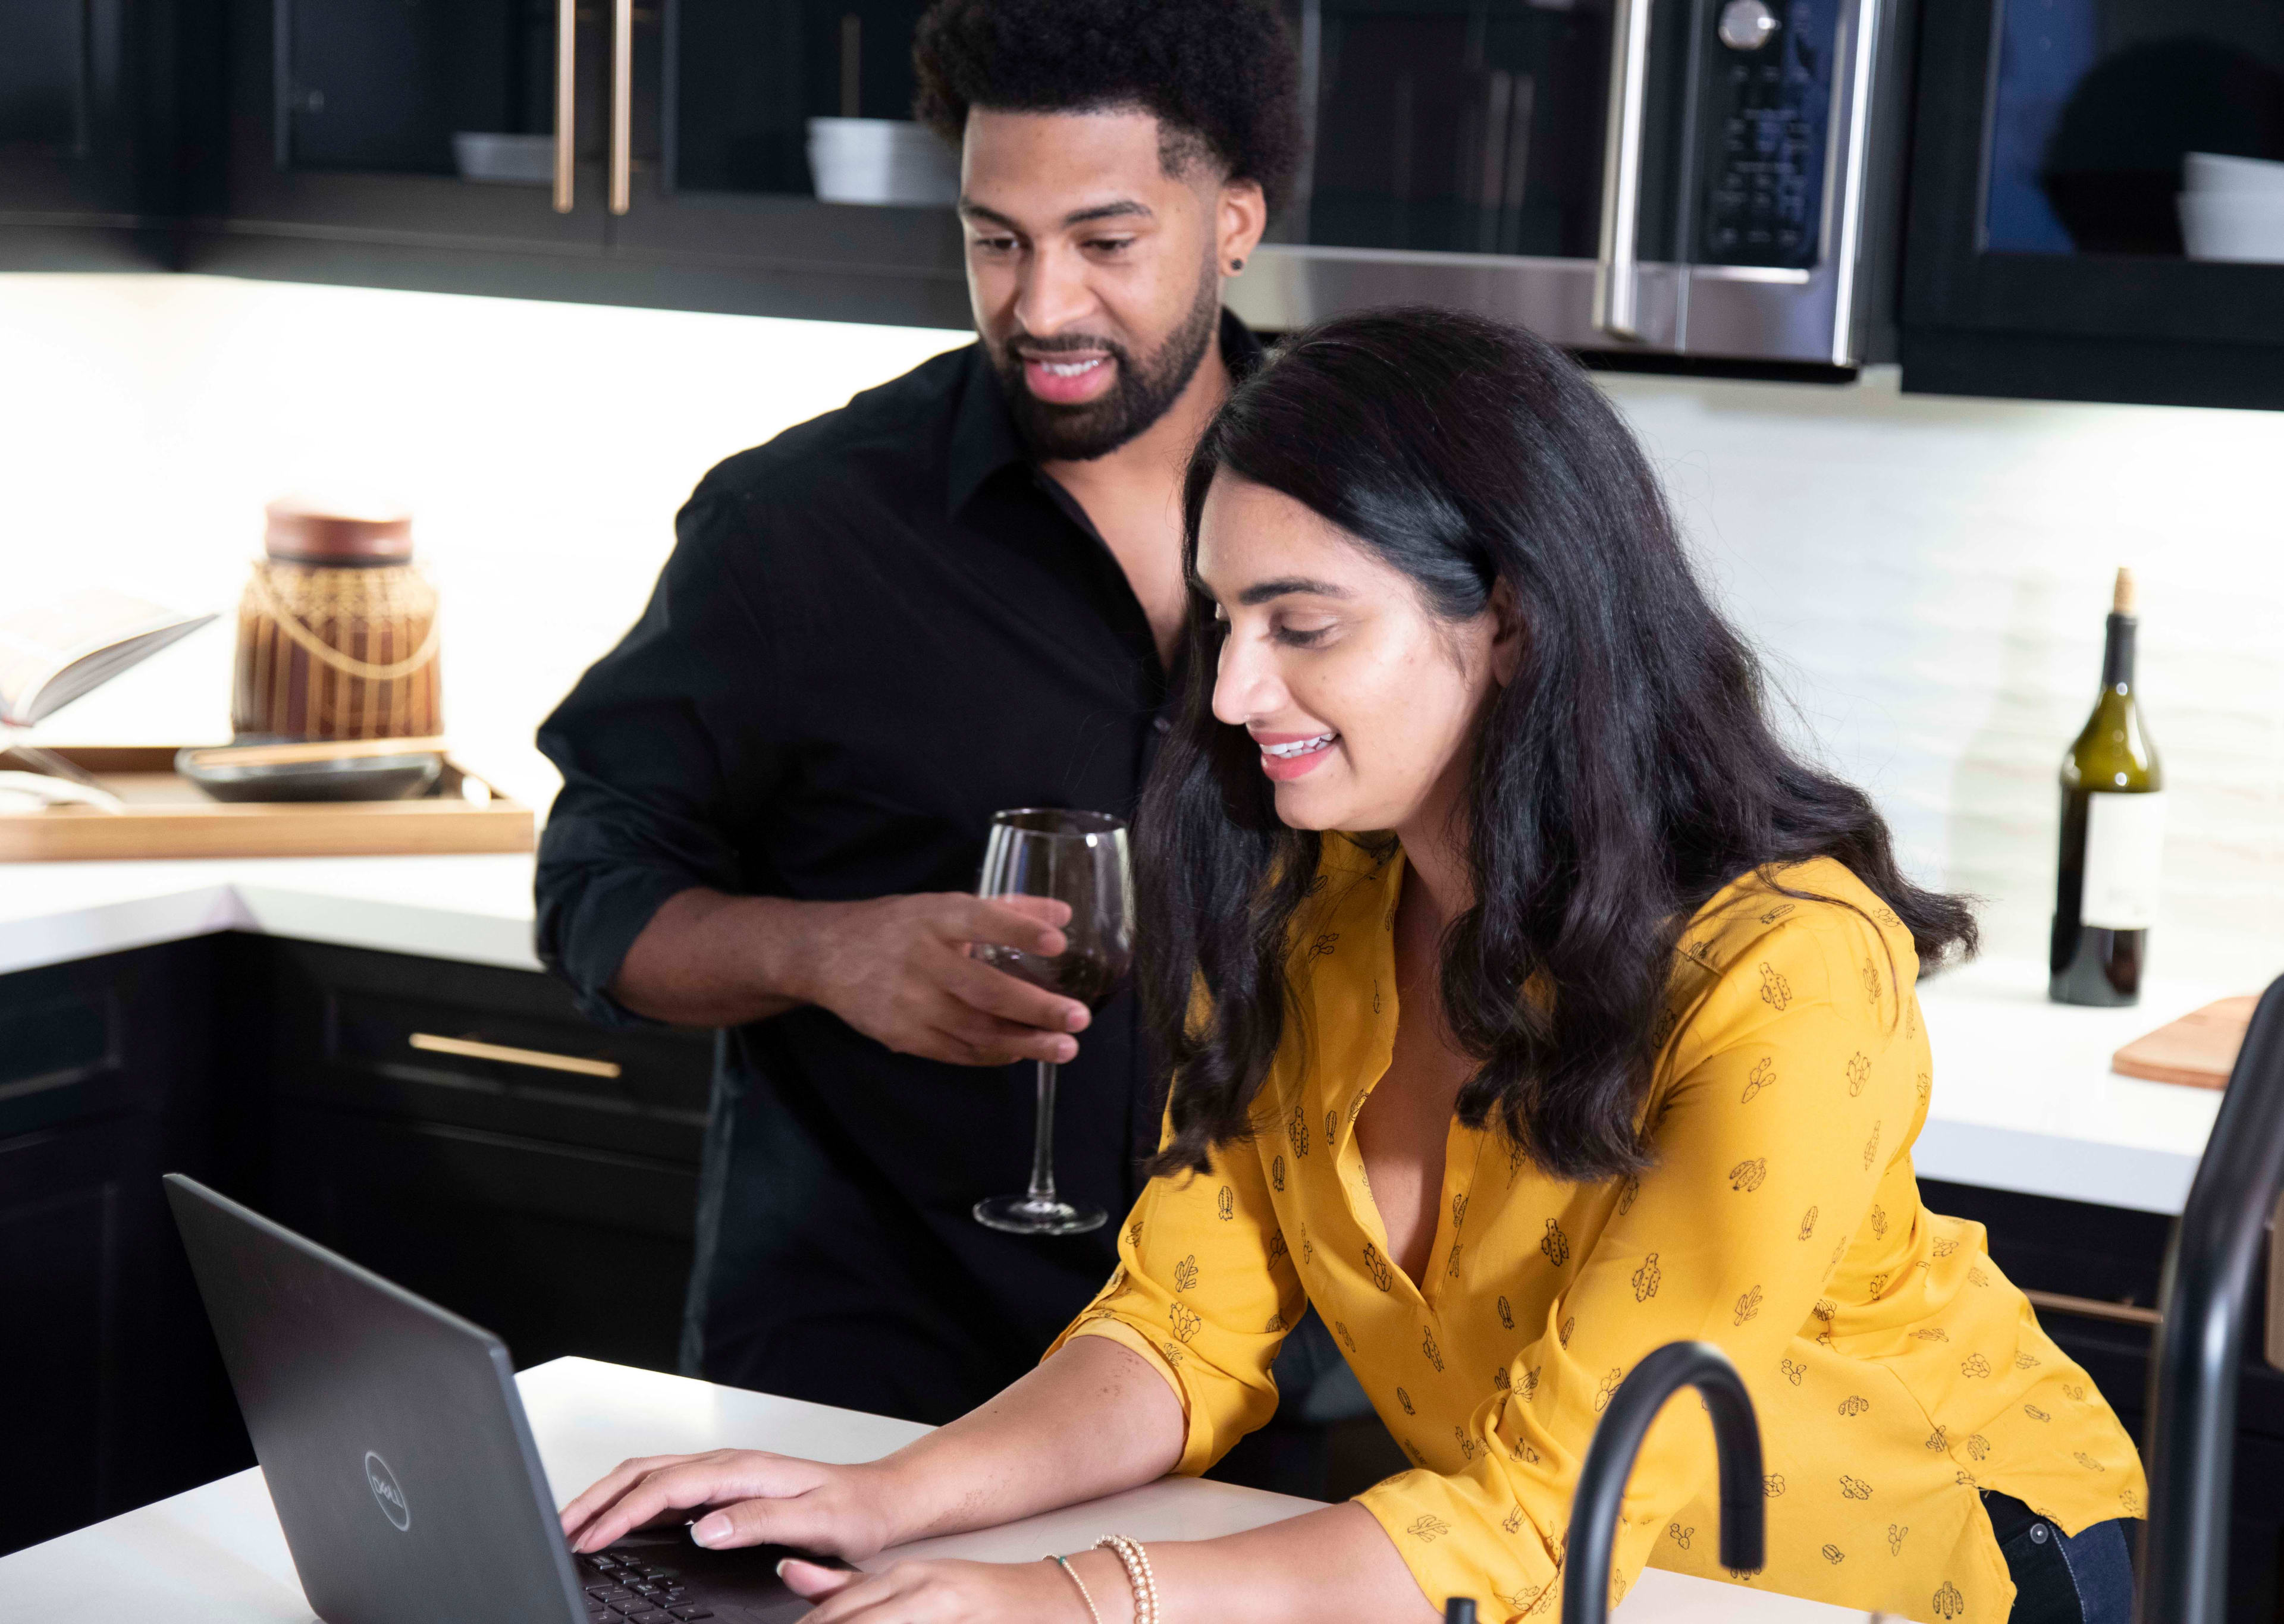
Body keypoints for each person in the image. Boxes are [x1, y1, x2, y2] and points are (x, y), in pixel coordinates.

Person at [554, 311, 2151, 1624]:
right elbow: (1182, 1326)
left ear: (1509, 618)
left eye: (1303, 623)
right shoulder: (1315, 916)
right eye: (1227, 618)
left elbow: (1548, 1501)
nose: (1238, 686)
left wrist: (1073, 1598)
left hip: (1919, 1578)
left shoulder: (1788, 971)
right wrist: (876, 1493)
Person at [532, 0, 1315, 1436]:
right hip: (866, 1392)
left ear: (1236, 220)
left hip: (1283, 1406)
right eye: (995, 240)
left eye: (1106, 243)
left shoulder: (1381, 519)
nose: (1041, 305)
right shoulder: (799, 530)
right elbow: (594, 891)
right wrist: (824, 951)